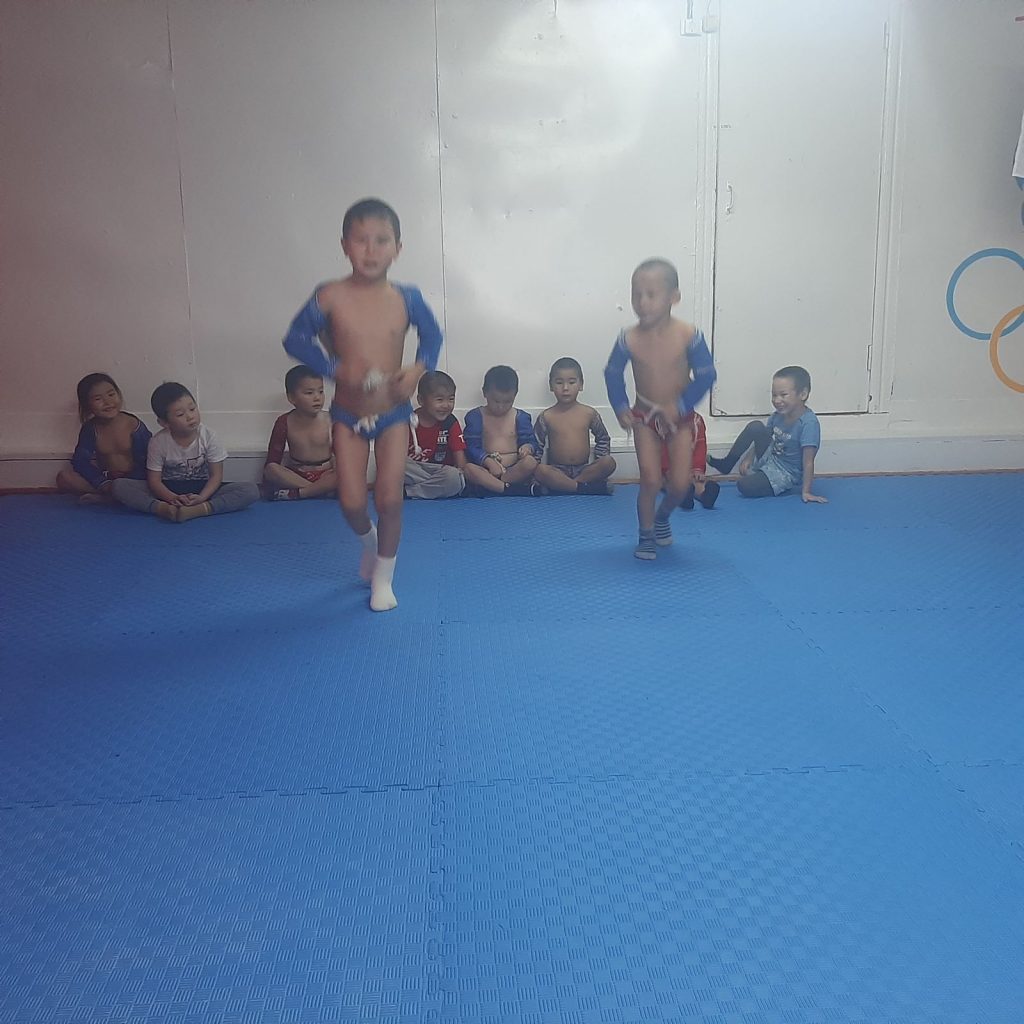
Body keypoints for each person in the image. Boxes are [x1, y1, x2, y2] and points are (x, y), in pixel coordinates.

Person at [282, 197, 443, 611]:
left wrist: (418, 369)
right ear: (344, 246)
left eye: (381, 241)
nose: (371, 250)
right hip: (348, 414)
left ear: (398, 248)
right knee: (351, 502)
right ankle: (371, 546)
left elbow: (433, 336)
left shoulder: (406, 297)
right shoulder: (330, 295)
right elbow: (295, 338)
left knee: (390, 498)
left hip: (393, 413)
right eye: (361, 240)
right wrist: (335, 367)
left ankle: (384, 579)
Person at [604, 258, 717, 558]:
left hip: (679, 419)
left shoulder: (689, 335)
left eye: (651, 294)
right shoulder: (628, 338)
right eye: (636, 294)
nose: (642, 302)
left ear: (674, 297)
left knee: (680, 485)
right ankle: (645, 534)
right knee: (650, 479)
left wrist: (680, 405)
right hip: (644, 417)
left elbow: (706, 375)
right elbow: (612, 373)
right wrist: (620, 406)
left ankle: (662, 517)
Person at [111, 382, 259, 521]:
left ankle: (201, 509)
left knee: (250, 490)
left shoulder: (209, 436)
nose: (190, 417)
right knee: (119, 486)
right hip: (167, 489)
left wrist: (202, 498)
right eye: (180, 414)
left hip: (203, 488)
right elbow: (154, 481)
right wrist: (171, 498)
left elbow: (216, 476)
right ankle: (163, 509)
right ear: (164, 423)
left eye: (192, 409)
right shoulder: (158, 442)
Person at [707, 365, 827, 502]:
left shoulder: (808, 424)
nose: (776, 400)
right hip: (771, 458)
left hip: (785, 473)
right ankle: (727, 463)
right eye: (774, 395)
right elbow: (763, 436)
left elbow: (808, 462)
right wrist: (749, 457)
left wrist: (806, 491)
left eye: (783, 395)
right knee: (756, 426)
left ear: (803, 394)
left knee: (744, 485)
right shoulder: (778, 416)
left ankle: (768, 480)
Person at [56, 373, 151, 503]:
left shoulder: (133, 425)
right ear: (87, 405)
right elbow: (80, 461)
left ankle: (114, 496)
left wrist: (125, 482)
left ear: (119, 395)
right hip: (107, 480)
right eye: (98, 399)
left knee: (154, 482)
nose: (108, 402)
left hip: (135, 480)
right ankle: (114, 496)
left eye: (111, 395)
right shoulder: (91, 429)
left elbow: (147, 460)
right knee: (64, 478)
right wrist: (102, 482)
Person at [533, 357, 616, 495]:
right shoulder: (546, 416)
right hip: (557, 470)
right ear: (551, 386)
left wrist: (599, 460)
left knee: (609, 462)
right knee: (540, 470)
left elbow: (603, 438)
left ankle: (566, 486)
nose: (565, 388)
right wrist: (533, 475)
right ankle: (584, 488)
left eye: (571, 382)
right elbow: (537, 446)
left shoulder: (589, 413)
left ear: (581, 385)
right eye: (559, 383)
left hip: (584, 470)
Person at [462, 365, 541, 496]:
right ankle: (510, 489)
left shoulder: (520, 417)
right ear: (485, 393)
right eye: (496, 401)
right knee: (469, 469)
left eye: (507, 402)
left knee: (530, 463)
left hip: (513, 471)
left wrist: (528, 448)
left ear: (515, 395)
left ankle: (497, 486)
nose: (501, 407)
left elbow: (531, 441)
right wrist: (487, 461)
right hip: (487, 469)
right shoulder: (476, 416)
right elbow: (471, 446)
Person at [263, 365, 337, 500]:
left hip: (326, 474)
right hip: (298, 475)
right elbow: (273, 459)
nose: (317, 398)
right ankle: (317, 491)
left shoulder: (331, 420)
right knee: (271, 469)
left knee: (345, 472)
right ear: (292, 398)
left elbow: (340, 454)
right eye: (309, 393)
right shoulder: (284, 422)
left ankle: (301, 493)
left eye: (321, 391)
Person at [404, 371, 467, 499]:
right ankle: (432, 488)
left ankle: (408, 492)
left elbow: (461, 464)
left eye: (451, 399)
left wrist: (457, 474)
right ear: (421, 400)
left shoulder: (450, 422)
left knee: (454, 477)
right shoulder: (408, 421)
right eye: (439, 400)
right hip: (414, 470)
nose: (446, 405)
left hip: (440, 471)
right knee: (398, 464)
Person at [661, 411, 719, 510]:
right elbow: (659, 449)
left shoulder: (696, 421)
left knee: (695, 481)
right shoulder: (661, 420)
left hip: (687, 465)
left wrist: (698, 469)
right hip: (665, 467)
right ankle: (681, 496)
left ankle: (704, 495)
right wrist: (667, 469)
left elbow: (700, 446)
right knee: (666, 482)